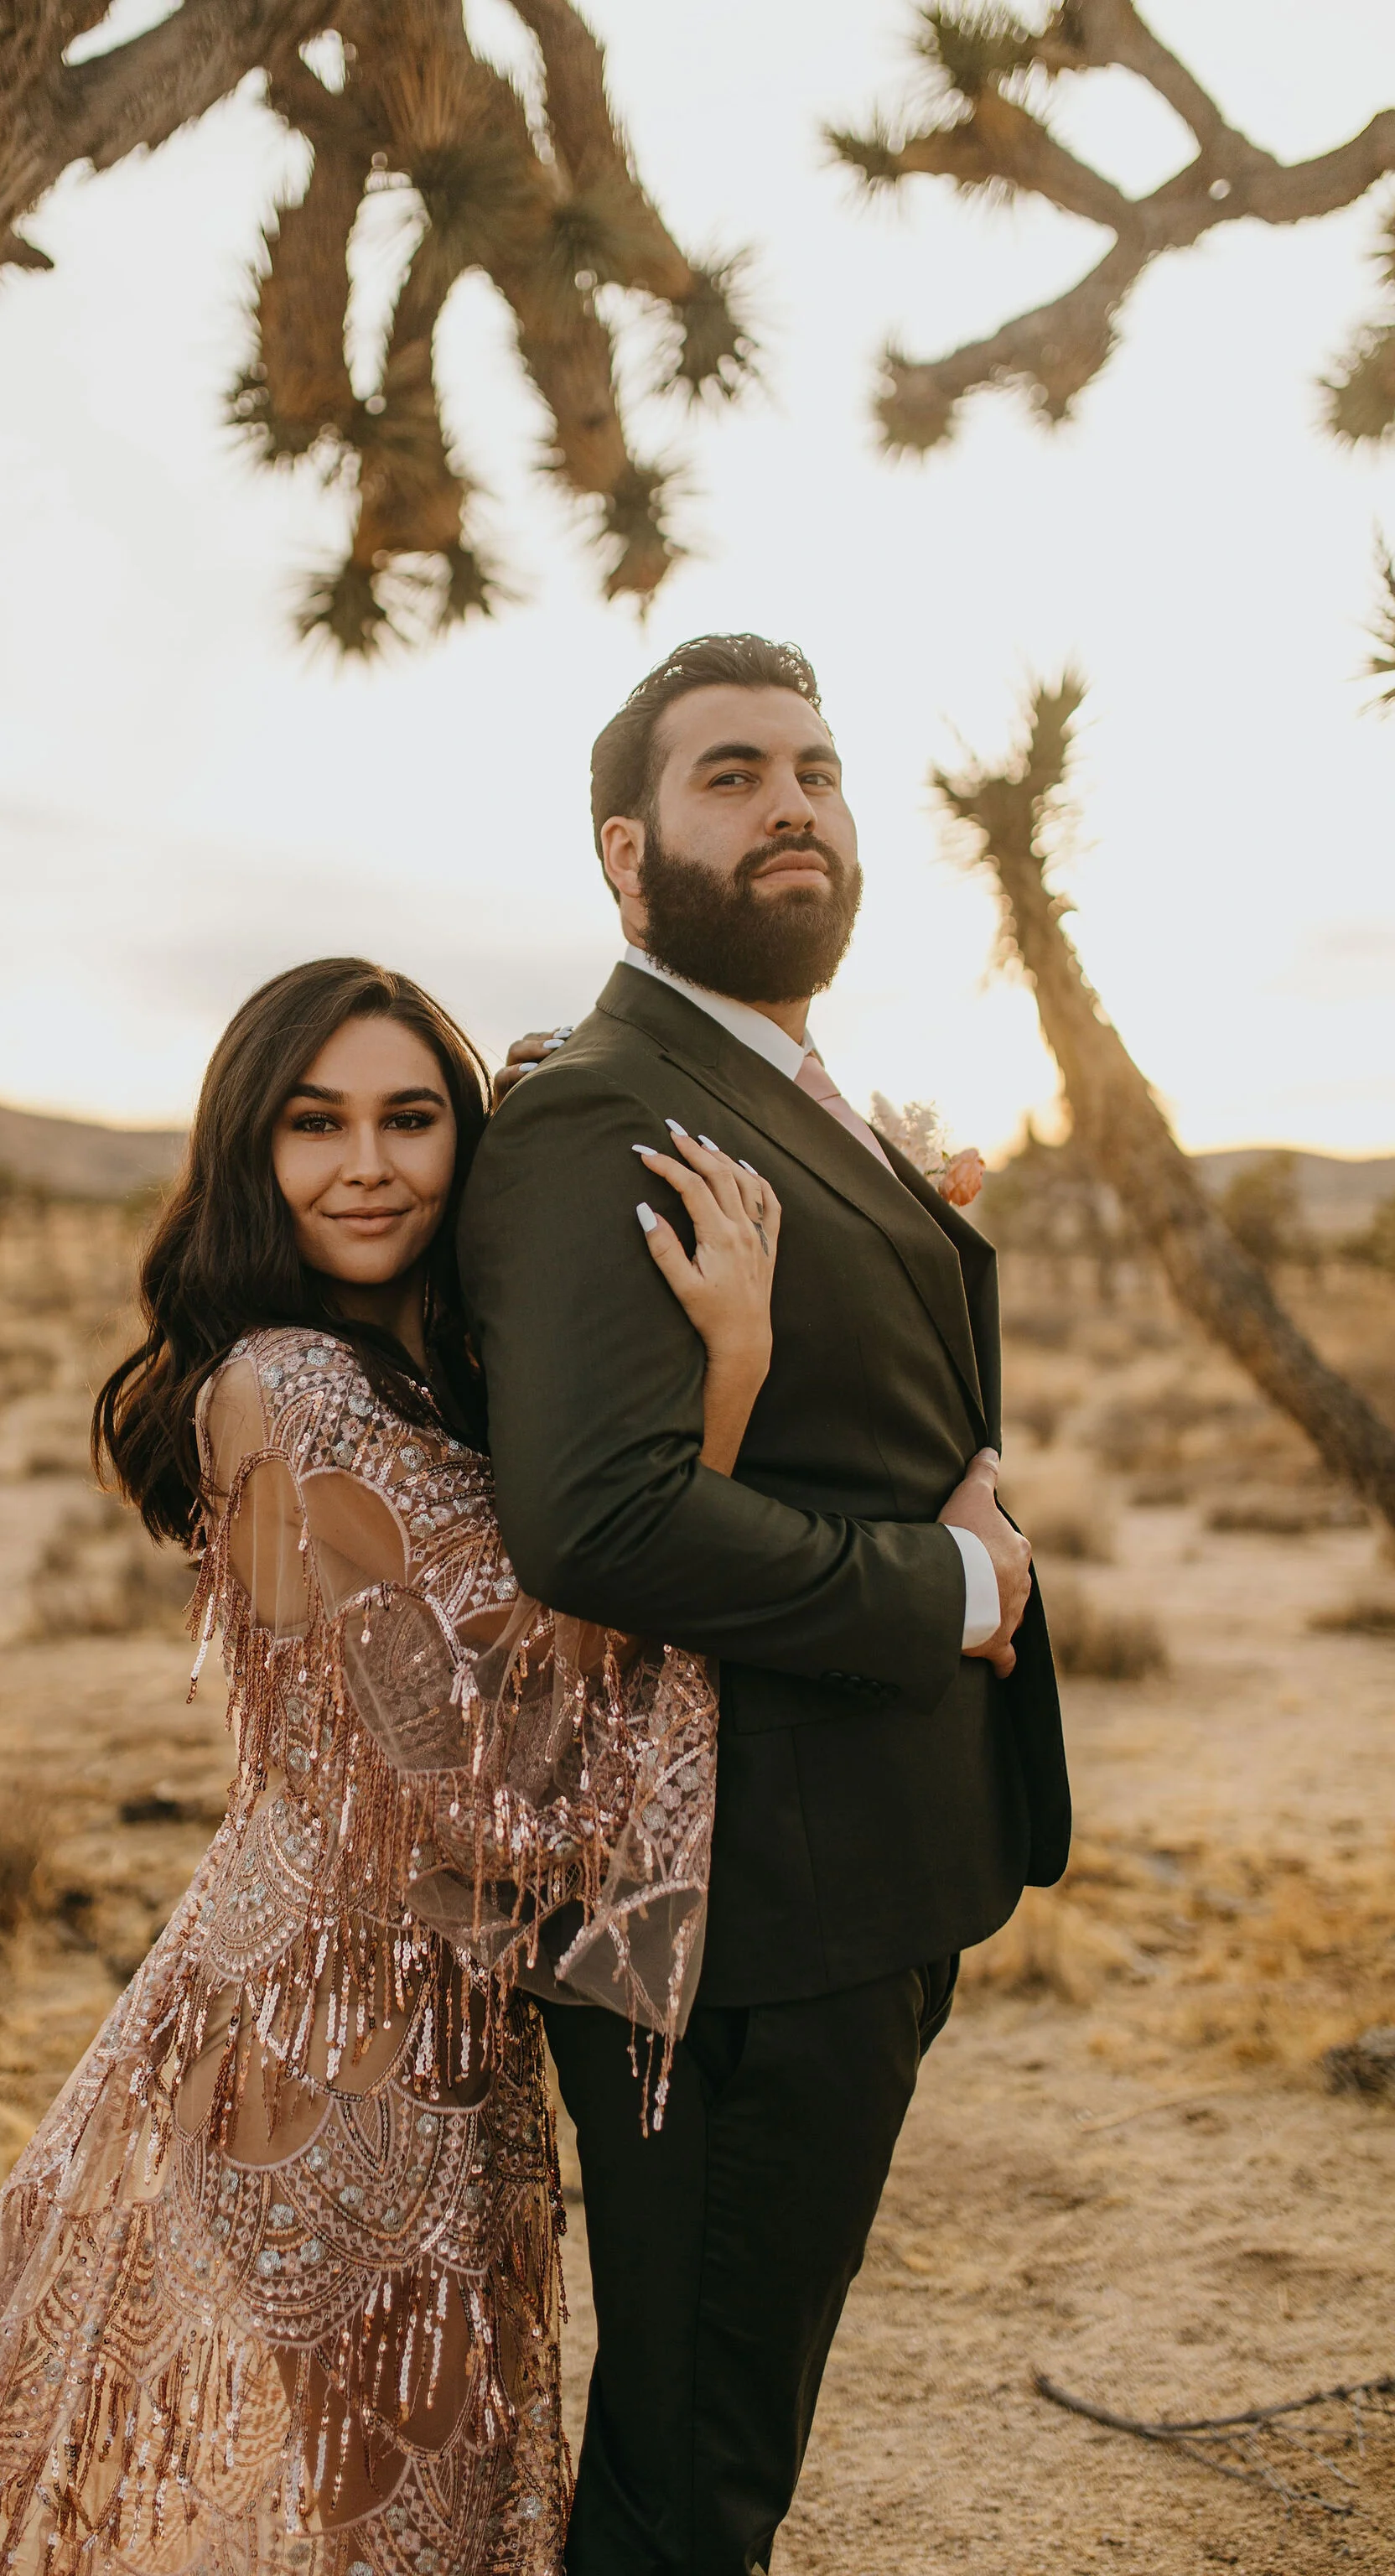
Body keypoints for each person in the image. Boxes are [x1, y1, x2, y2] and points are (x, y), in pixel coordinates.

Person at [0, 957, 778, 2576]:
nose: (367, 1163)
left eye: (412, 1118)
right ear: (252, 1149)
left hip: (424, 2031)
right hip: (324, 2053)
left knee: (422, 2497)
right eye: (317, 1123)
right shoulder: (287, 1388)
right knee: (394, 2521)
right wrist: (723, 1394)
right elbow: (493, 1740)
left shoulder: (429, 1382)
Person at [459, 632, 1071, 2576]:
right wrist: (952, 1581)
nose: (791, 801)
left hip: (852, 1880)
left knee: (726, 2431)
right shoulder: (596, 1114)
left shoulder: (769, 1084)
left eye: (813, 768)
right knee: (694, 2466)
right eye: (731, 776)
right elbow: (599, 1520)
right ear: (626, 859)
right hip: (734, 1928)